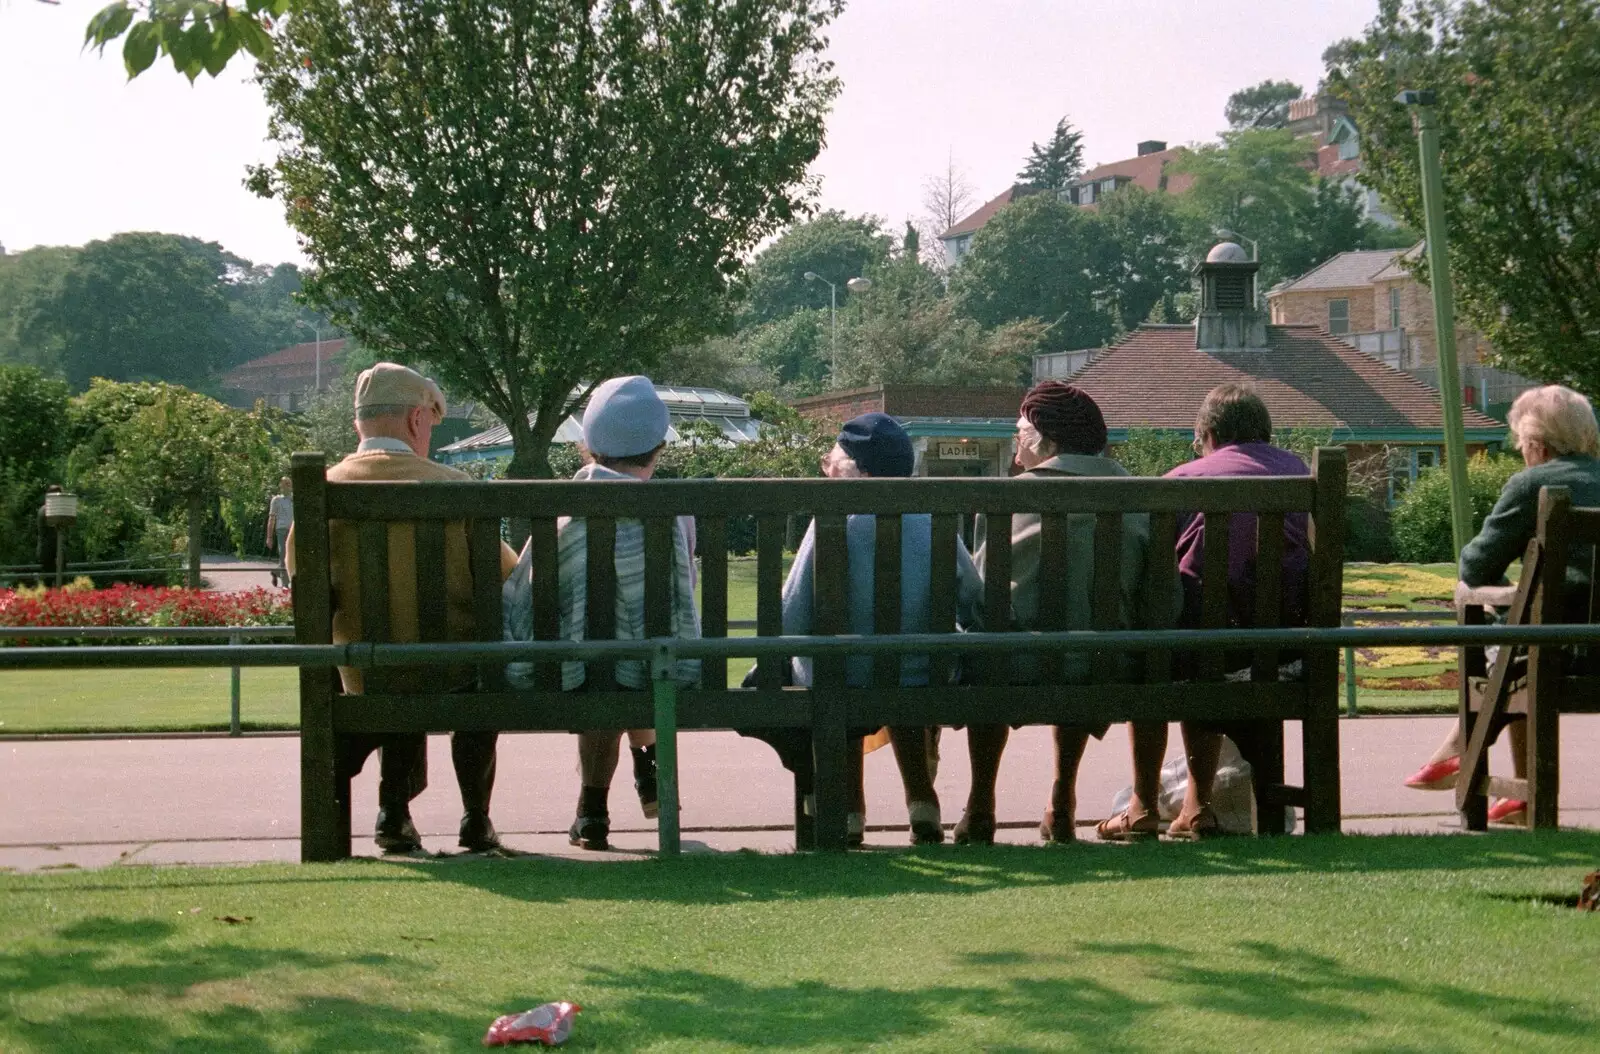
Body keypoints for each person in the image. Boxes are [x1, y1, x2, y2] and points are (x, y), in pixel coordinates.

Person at [287, 362, 519, 855]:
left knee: (389, 660)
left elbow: (300, 582)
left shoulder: (322, 495)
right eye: (431, 425)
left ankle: (393, 810)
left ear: (358, 426)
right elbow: (507, 577)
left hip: (363, 676)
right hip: (450, 673)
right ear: (418, 420)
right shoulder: (455, 488)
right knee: (449, 664)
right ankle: (476, 818)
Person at [1098, 382, 1311, 841]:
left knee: (1165, 650)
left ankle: (1142, 806)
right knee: (1197, 649)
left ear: (1210, 434)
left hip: (1201, 655)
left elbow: (1155, 578)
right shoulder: (1299, 474)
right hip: (1288, 654)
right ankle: (1196, 805)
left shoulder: (1183, 480)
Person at [958, 383, 1158, 845]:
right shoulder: (1142, 497)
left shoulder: (1010, 500)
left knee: (991, 648)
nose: (1015, 444)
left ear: (1047, 442)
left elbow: (982, 604)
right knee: (1079, 641)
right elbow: (1163, 600)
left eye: (1020, 432)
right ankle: (1062, 800)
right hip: (1120, 665)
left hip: (1020, 665)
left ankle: (981, 803)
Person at [773, 413, 983, 846]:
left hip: (840, 676)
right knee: (897, 680)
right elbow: (974, 600)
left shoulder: (832, 519)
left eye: (832, 458)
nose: (825, 465)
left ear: (857, 468)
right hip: (922, 674)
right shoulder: (932, 519)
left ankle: (849, 810)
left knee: (838, 672)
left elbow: (789, 617)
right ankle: (922, 802)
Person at [1402, 384, 1600, 824]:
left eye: (1520, 444)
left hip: (1556, 655)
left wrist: (1505, 596)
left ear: (1536, 443)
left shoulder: (1533, 485)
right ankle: (1507, 788)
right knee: (1520, 632)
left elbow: (1474, 565)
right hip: (1592, 645)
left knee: (1513, 641)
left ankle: (1460, 752)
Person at [554, 376, 701, 851]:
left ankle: (592, 808)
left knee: (599, 660)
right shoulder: (678, 514)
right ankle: (649, 761)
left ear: (589, 446)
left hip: (582, 671)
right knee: (638, 653)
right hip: (660, 669)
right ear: (657, 447)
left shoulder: (566, 513)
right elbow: (681, 601)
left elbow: (543, 592)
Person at [265, 477, 294, 587]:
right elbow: (271, 519)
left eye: (289, 483)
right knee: (283, 555)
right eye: (285, 483)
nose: (287, 486)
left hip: (293, 530)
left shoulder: (295, 499)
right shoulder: (276, 500)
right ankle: (285, 585)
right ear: (280, 486)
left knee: (293, 555)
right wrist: (269, 537)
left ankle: (276, 572)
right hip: (281, 530)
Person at [36, 484, 63, 579]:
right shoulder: (48, 510)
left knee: (53, 580)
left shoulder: (44, 509)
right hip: (49, 551)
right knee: (51, 581)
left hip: (49, 551)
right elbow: (55, 531)